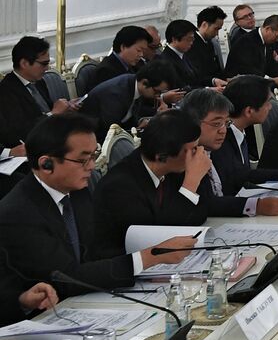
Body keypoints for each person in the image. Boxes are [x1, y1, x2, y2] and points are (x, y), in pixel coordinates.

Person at [0, 114, 197, 298]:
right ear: (46, 164)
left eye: (94, 156)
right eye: (83, 159)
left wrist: (151, 262)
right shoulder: (18, 213)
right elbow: (65, 278)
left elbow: (95, 253)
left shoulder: (76, 192)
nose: (92, 166)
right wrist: (147, 258)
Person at [92, 111, 213, 256]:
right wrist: (191, 182)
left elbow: (199, 213)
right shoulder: (119, 187)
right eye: (193, 149)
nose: (200, 154)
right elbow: (159, 237)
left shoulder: (172, 170)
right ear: (162, 156)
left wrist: (196, 178)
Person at [179, 87, 278, 217]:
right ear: (192, 123)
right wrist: (256, 206)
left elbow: (241, 174)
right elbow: (206, 203)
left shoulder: (217, 149)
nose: (223, 130)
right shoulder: (181, 159)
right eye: (216, 124)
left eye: (226, 123)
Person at [0, 36, 70, 157]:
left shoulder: (39, 82)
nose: (47, 68)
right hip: (33, 152)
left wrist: (66, 108)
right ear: (24, 63)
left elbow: (46, 111)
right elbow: (21, 132)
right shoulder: (5, 92)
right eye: (44, 64)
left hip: (53, 141)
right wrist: (53, 114)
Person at [79, 61, 180, 132]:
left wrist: (144, 122)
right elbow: (112, 131)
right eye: (157, 92)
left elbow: (130, 117)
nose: (158, 96)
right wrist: (136, 130)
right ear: (145, 83)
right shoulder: (116, 93)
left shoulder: (134, 83)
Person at [86, 26, 152, 92]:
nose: (141, 55)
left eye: (143, 51)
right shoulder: (105, 71)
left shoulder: (138, 64)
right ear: (123, 47)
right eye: (138, 50)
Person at [225, 14, 278, 80]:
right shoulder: (246, 41)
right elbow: (247, 69)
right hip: (240, 82)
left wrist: (276, 79)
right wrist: (270, 79)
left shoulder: (269, 41)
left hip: (258, 79)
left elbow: (271, 66)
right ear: (268, 29)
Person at [187, 5, 228, 88]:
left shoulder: (209, 42)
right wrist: (213, 82)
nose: (217, 33)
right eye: (216, 29)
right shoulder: (191, 44)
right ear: (204, 24)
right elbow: (197, 75)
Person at [154, 18, 201, 89]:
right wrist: (207, 89)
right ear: (174, 39)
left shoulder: (184, 54)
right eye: (189, 39)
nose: (191, 43)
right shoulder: (164, 60)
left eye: (192, 39)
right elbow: (180, 87)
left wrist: (213, 81)